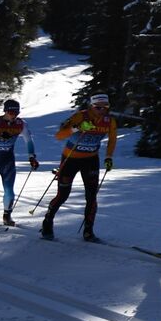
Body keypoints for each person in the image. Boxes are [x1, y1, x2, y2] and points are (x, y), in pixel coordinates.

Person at [41, 93, 116, 242]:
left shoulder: (109, 121)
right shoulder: (80, 116)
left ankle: (88, 231)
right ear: (91, 106)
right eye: (98, 107)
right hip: (70, 160)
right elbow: (59, 135)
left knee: (91, 196)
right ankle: (47, 223)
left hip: (90, 160)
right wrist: (77, 128)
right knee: (63, 195)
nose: (102, 110)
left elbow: (112, 140)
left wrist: (108, 157)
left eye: (105, 107)